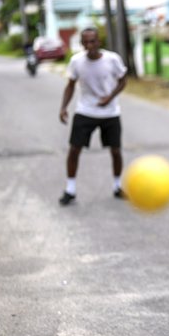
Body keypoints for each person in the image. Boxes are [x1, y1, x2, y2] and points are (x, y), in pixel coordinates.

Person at [58, 27, 128, 205]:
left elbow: (123, 80)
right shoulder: (76, 61)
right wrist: (63, 107)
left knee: (115, 150)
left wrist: (110, 97)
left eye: (93, 41)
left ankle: (117, 186)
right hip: (85, 110)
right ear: (81, 44)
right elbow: (70, 85)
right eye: (86, 42)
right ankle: (70, 189)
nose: (90, 45)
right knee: (74, 150)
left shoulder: (112, 59)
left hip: (110, 112)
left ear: (99, 42)